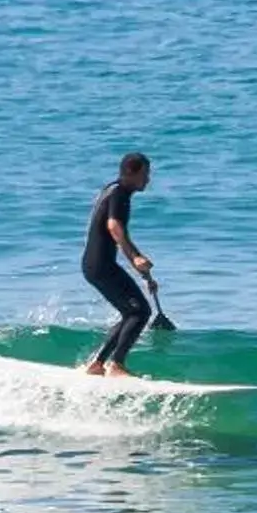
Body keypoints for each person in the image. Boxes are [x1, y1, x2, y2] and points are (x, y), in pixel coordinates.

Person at [81, 152, 155, 376]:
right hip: (102, 265)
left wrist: (145, 275)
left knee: (130, 312)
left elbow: (119, 234)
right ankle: (117, 365)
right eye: (145, 174)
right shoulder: (120, 194)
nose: (148, 180)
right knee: (140, 312)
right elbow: (114, 228)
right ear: (131, 173)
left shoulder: (111, 189)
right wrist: (135, 258)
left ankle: (97, 364)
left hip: (94, 264)